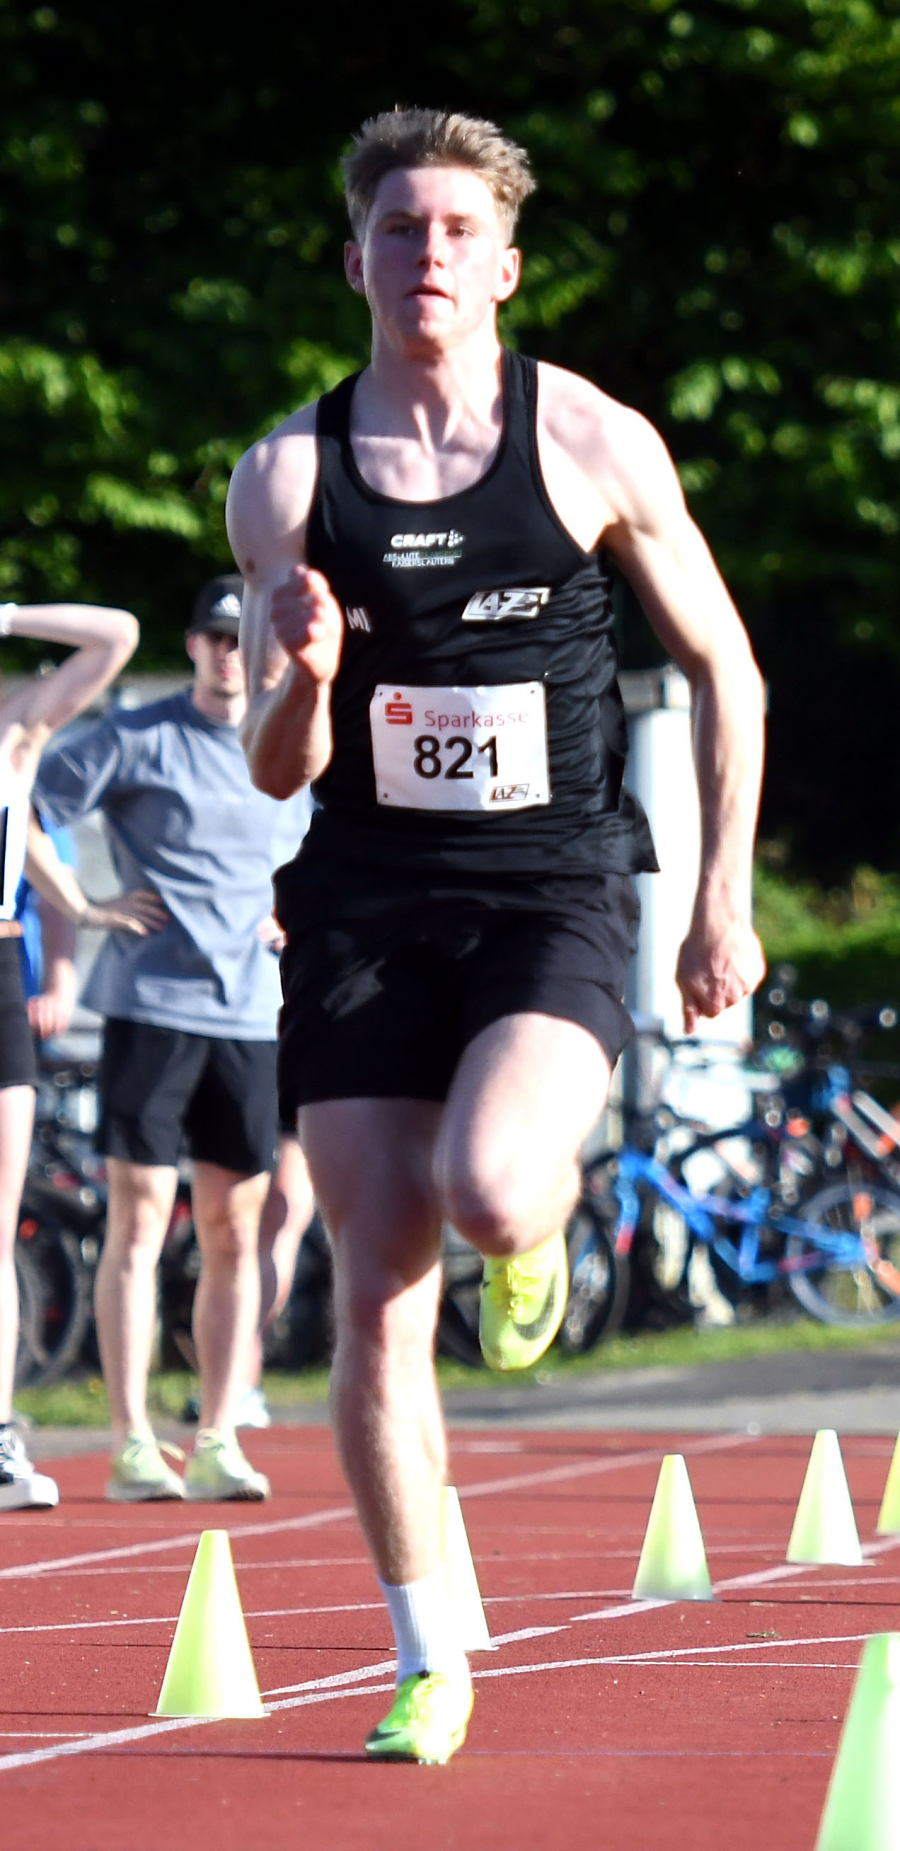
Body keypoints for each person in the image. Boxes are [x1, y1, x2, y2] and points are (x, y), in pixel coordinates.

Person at [227, 107, 766, 1763]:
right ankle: (427, 1652)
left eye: (459, 229)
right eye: (400, 227)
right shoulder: (288, 476)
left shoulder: (593, 440)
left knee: (489, 1187)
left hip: (554, 889)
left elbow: (728, 671)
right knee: (376, 1286)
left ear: (507, 267)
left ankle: (533, 1235)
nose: (429, 254)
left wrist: (721, 898)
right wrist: (312, 674)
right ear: (355, 261)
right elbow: (274, 764)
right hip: (366, 902)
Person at [35, 575, 312, 1503]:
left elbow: (344, 841)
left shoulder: (295, 740)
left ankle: (220, 1432)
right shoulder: (138, 735)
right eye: (216, 638)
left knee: (237, 1227)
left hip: (252, 1013)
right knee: (141, 1218)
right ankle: (129, 1441)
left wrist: (302, 911)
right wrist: (82, 905)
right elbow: (22, 795)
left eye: (245, 639)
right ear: (193, 645)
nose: (231, 654)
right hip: (152, 1006)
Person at [0, 597, 164, 1511]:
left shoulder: (14, 729)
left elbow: (118, 635)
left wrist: (8, 616)